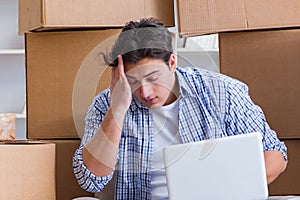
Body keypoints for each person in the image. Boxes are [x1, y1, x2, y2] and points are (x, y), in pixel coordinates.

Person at [73, 18, 287, 199]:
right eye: (133, 81)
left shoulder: (221, 91)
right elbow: (91, 180)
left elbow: (275, 154)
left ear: (172, 63)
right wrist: (117, 111)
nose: (145, 92)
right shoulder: (106, 104)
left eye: (153, 78)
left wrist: (227, 190)